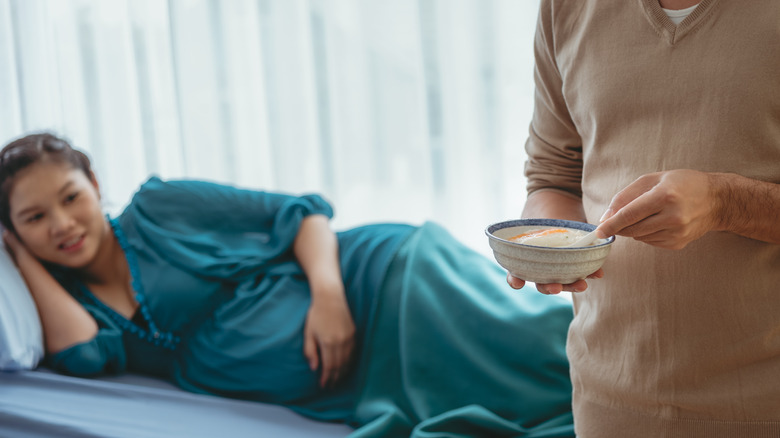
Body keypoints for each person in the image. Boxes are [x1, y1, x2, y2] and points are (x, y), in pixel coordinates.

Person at [1, 133, 575, 438]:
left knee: (555, 352)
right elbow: (80, 353)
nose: (63, 225)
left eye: (70, 197)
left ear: (94, 183)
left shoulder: (159, 207)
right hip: (359, 381)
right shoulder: (65, 302)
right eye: (34, 218)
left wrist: (328, 299)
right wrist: (22, 259)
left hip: (377, 286)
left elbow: (303, 212)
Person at [507, 0, 780, 437]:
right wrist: (552, 248)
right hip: (606, 402)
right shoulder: (565, 7)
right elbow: (552, 176)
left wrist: (725, 202)